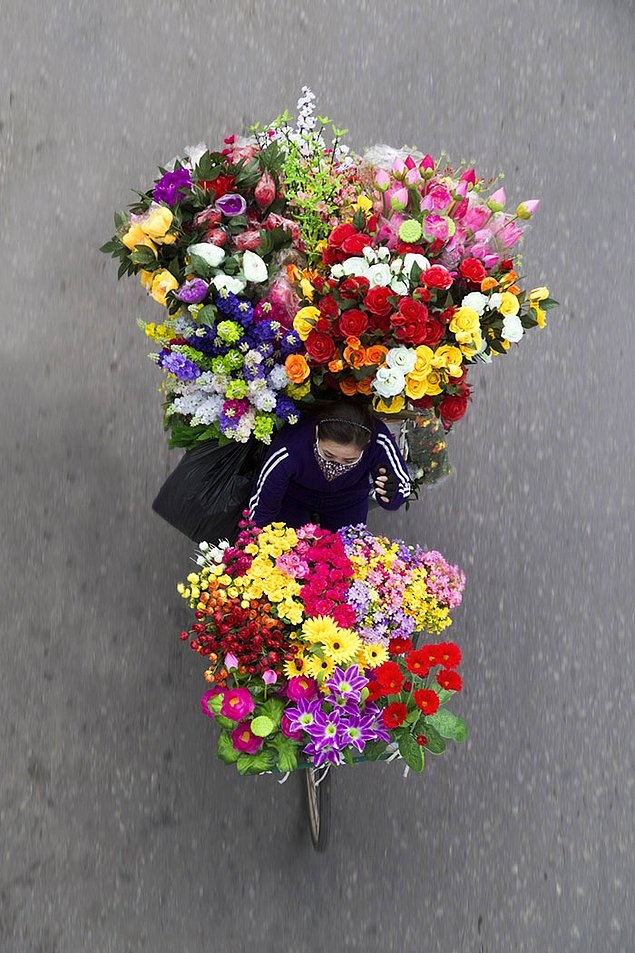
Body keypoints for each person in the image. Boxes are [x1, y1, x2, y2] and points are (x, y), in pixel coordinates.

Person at [249, 401, 411, 532]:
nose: (337, 465)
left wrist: (391, 493)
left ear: (367, 442)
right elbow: (262, 510)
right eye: (328, 455)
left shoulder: (378, 439)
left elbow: (401, 488)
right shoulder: (291, 445)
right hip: (294, 497)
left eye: (349, 460)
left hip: (349, 498)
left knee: (349, 557)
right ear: (317, 432)